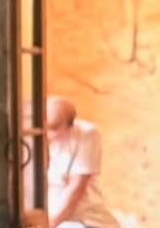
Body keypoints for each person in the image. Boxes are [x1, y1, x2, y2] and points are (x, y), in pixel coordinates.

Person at [45, 96, 119, 228]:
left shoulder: (87, 134)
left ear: (69, 127)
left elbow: (76, 187)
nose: (47, 133)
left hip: (85, 218)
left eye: (53, 128)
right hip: (45, 215)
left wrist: (50, 224)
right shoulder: (31, 134)